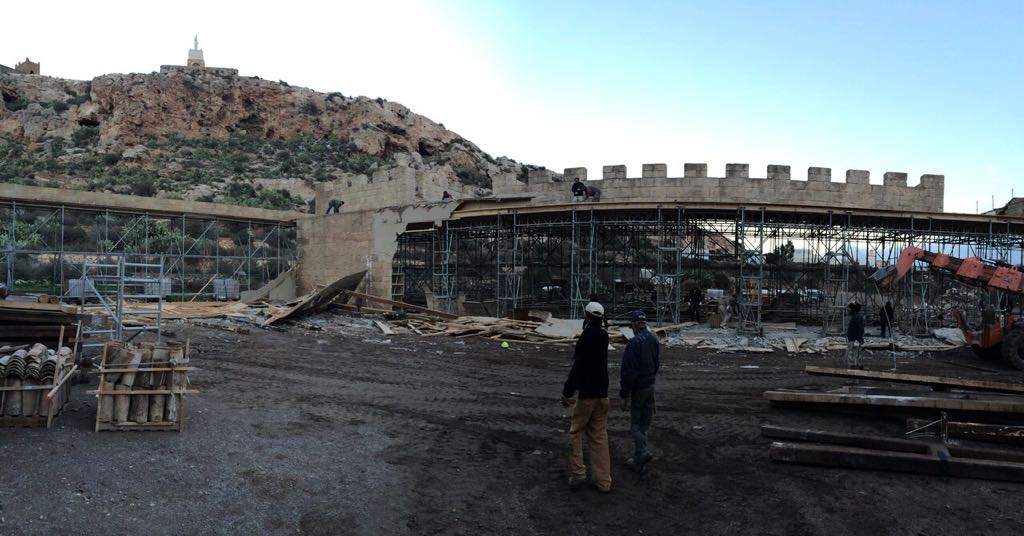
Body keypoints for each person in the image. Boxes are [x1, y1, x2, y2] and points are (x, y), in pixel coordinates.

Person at [561, 301, 611, 493]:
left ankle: (578, 473)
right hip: (603, 393)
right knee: (599, 436)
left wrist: (567, 391)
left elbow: (579, 367)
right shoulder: (604, 336)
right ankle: (603, 481)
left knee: (575, 432)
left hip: (587, 395)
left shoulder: (587, 337)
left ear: (587, 317)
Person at [620, 310, 660, 472]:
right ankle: (638, 459)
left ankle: (642, 452)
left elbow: (628, 372)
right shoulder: (653, 339)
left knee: (635, 426)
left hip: (639, 389)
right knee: (644, 426)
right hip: (650, 386)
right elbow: (656, 363)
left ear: (635, 324)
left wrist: (624, 394)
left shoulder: (634, 343)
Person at [846, 301, 865, 369]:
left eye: (849, 309)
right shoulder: (855, 317)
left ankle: (855, 365)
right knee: (855, 352)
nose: (848, 310)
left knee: (854, 352)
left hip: (854, 339)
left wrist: (858, 339)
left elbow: (861, 329)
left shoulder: (857, 317)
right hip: (853, 338)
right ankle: (856, 364)